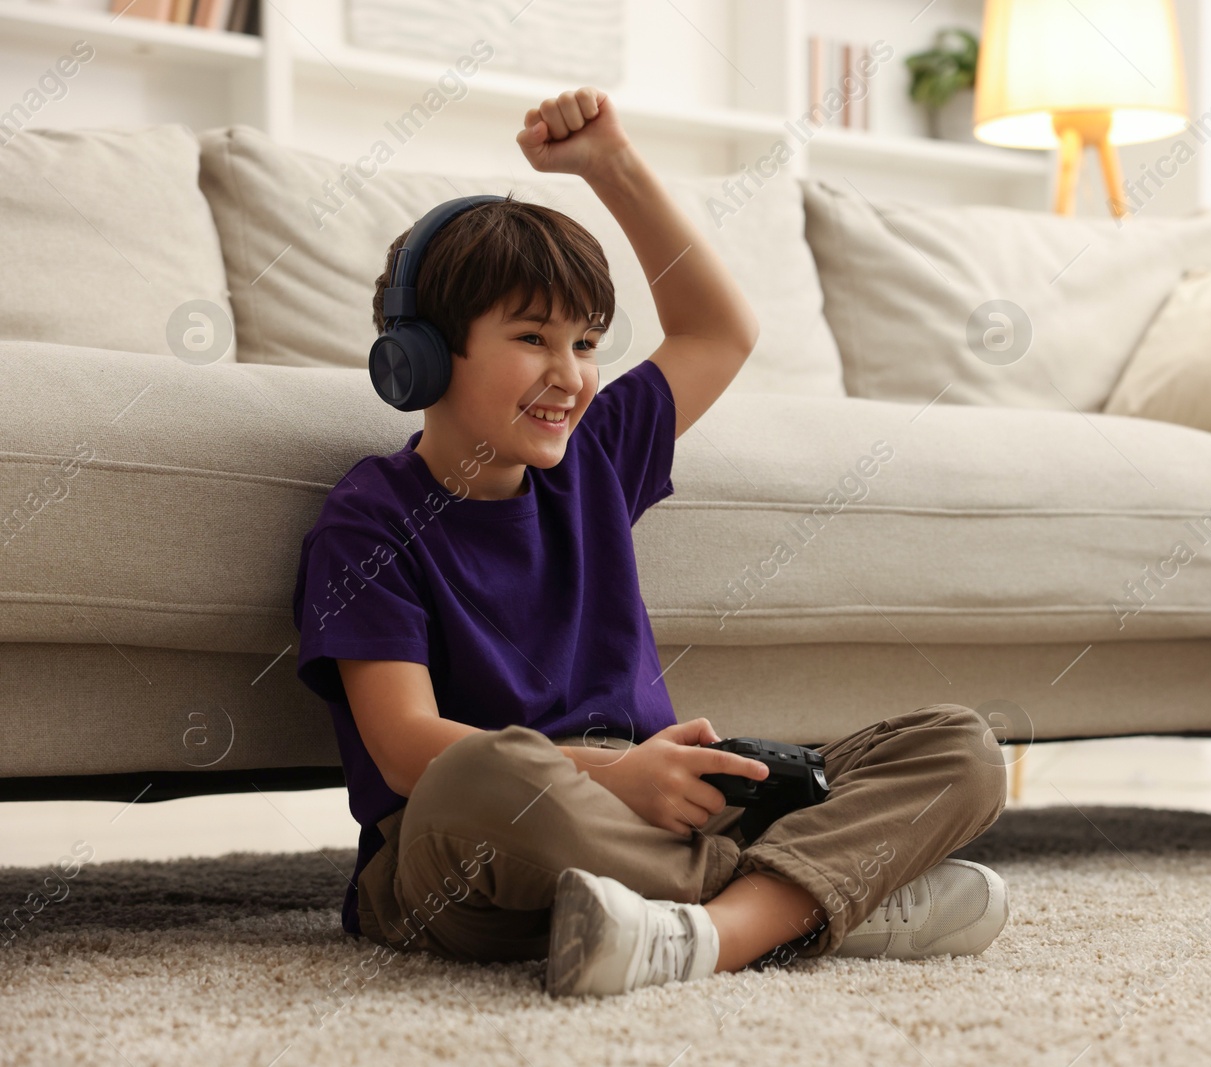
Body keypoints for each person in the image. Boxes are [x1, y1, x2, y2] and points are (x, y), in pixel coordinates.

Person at [291, 86, 1010, 998]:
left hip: (665, 822)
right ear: (421, 357)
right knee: (487, 766)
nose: (572, 375)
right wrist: (615, 775)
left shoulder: (590, 459)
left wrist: (613, 165)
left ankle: (708, 929)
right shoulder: (371, 515)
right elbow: (405, 748)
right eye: (532, 338)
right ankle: (808, 902)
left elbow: (718, 330)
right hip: (470, 858)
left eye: (588, 342)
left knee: (961, 746)